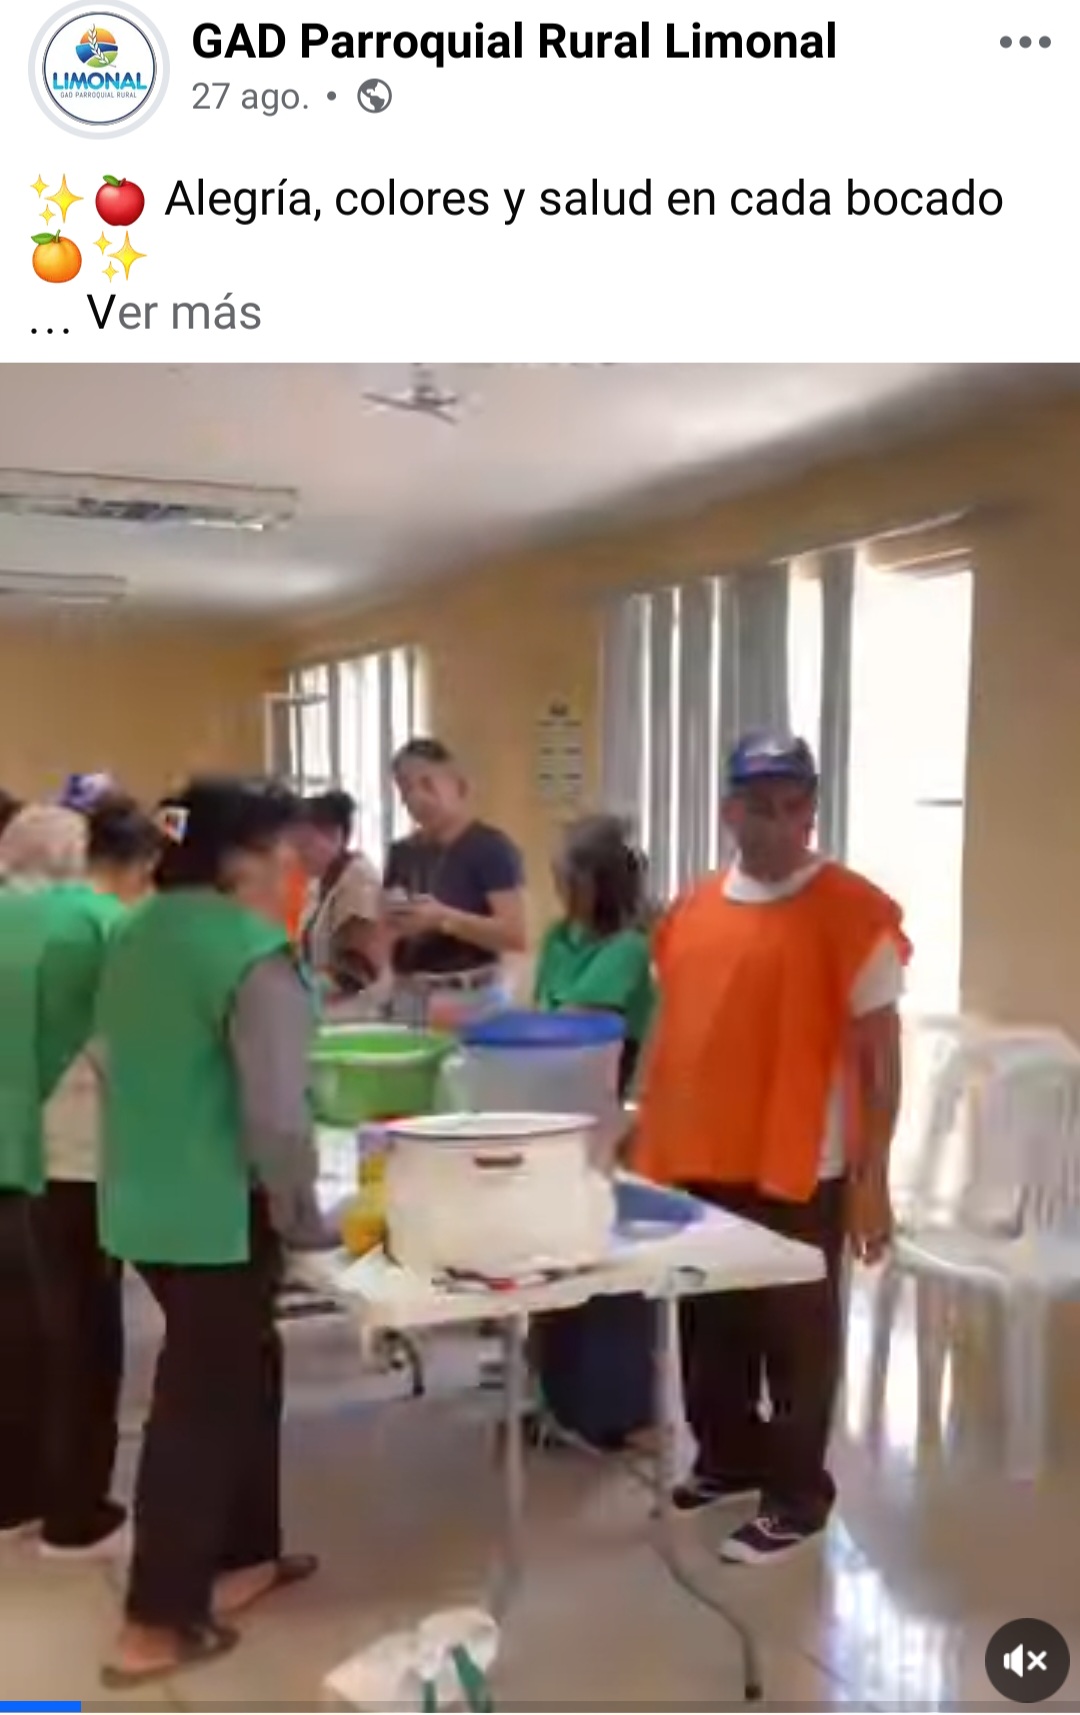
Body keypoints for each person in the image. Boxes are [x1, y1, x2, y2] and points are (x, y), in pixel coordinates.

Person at [634, 732, 908, 1566]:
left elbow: (881, 1059)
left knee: (797, 1336)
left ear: (811, 810)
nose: (782, 824)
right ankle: (728, 1458)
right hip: (705, 1155)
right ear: (730, 811)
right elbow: (676, 1032)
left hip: (804, 1160)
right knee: (712, 1323)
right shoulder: (691, 911)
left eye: (796, 807)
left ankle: (796, 1496)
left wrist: (872, 1178)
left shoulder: (853, 912)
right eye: (762, 807)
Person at [97, 776, 332, 1688]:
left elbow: (116, 1053)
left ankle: (245, 1558)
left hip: (141, 1200)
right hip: (216, 1212)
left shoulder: (135, 930)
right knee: (198, 1407)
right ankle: (154, 1623)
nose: (292, 866)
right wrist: (303, 1217)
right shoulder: (251, 950)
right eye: (283, 850)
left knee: (243, 1372)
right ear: (244, 858)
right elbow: (277, 1114)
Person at [0, 800, 158, 1557]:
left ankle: (13, 1497)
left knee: (15, 1333)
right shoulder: (100, 923)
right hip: (75, 1156)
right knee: (83, 1334)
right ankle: (75, 1513)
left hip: (11, 1151)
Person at [531, 814, 657, 1449]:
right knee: (551, 1256)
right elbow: (539, 1014)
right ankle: (556, 1398)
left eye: (567, 875)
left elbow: (576, 1024)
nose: (556, 883)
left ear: (597, 882)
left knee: (606, 1262)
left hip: (609, 1111)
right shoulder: (559, 937)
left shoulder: (630, 948)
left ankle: (617, 1411)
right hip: (552, 1108)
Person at [384, 738, 526, 1021]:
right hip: (408, 992)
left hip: (468, 994)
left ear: (459, 786)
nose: (417, 798)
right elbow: (387, 927)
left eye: (428, 784)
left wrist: (443, 919)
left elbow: (514, 935)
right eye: (406, 788)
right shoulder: (402, 852)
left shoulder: (491, 848)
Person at [292, 789, 384, 1010]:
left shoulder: (358, 879)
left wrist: (305, 987)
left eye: (304, 844)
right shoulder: (320, 881)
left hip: (353, 1011)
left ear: (335, 837)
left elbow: (360, 967)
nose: (298, 854)